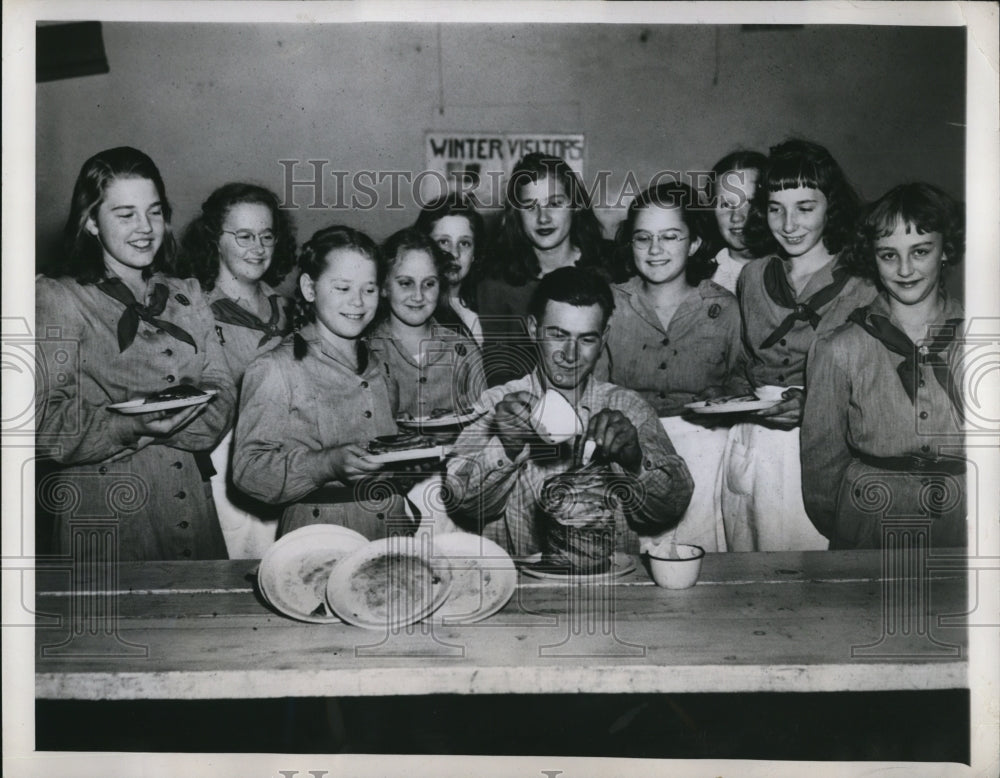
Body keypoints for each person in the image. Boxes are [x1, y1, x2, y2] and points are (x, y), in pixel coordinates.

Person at [34, 146, 236, 560]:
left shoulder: (188, 295)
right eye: (125, 215)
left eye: (155, 211)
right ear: (91, 221)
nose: (145, 228)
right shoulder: (59, 299)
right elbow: (39, 429)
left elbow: (222, 397)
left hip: (191, 509)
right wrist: (131, 428)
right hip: (103, 515)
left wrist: (168, 421)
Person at [446, 266, 694, 556]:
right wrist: (506, 447)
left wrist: (635, 461)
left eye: (587, 339)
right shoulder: (497, 404)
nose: (570, 354)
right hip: (526, 582)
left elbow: (671, 508)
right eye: (558, 335)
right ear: (533, 329)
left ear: (603, 339)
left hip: (608, 583)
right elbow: (459, 500)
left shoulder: (626, 407)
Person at [718, 138, 878, 551]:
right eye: (776, 209)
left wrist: (817, 404)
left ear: (832, 207)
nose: (789, 224)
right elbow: (742, 363)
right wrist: (736, 394)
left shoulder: (862, 283)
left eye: (805, 208)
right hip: (751, 443)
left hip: (821, 451)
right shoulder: (753, 276)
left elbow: (875, 384)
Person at [801, 183, 966, 549]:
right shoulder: (840, 347)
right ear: (872, 258)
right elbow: (821, 468)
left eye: (920, 252)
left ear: (945, 250)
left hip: (963, 522)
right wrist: (852, 525)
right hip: (869, 523)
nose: (905, 269)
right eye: (888, 255)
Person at [232, 225, 410, 539]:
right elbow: (248, 472)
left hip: (392, 529)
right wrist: (324, 465)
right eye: (343, 288)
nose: (358, 302)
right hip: (320, 536)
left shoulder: (382, 364)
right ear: (310, 288)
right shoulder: (276, 368)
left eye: (368, 290)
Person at [603, 181, 749, 551]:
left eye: (670, 236)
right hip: (630, 456)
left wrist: (726, 396)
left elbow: (743, 380)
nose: (655, 250)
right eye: (642, 238)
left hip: (706, 456)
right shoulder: (610, 305)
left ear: (695, 243)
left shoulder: (724, 309)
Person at [175, 183, 297, 558]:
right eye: (243, 236)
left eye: (266, 235)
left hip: (291, 465)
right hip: (228, 472)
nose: (257, 248)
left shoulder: (293, 309)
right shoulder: (195, 312)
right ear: (214, 239)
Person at [477, 152, 620, 387]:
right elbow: (499, 371)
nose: (543, 217)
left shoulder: (612, 268)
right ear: (515, 214)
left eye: (554, 203)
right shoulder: (496, 284)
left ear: (574, 206)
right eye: (529, 206)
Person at [366, 228, 485, 419]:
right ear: (384, 288)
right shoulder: (366, 351)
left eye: (429, 284)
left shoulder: (464, 351)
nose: (419, 295)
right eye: (406, 283)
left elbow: (482, 425)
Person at [413, 193, 486, 346]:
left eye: (464, 243)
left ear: (475, 254)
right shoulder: (417, 308)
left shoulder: (484, 305)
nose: (454, 253)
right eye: (444, 242)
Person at [706, 150, 768, 294]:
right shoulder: (704, 280)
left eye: (750, 203)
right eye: (726, 204)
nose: (736, 217)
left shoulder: (795, 271)